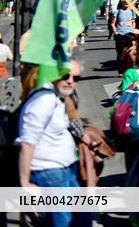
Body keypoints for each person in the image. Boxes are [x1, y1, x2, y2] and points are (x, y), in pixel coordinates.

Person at [16, 61, 90, 227]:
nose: (70, 81)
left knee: (81, 220)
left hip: (64, 170)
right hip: (50, 173)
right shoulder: (44, 99)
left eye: (76, 78)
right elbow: (27, 142)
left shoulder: (55, 96)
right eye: (65, 75)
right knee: (63, 222)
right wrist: (25, 183)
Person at [113, 0, 138, 74]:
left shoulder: (132, 11)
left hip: (129, 35)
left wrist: (133, 29)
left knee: (130, 52)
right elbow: (112, 23)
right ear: (122, 3)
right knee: (120, 54)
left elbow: (133, 22)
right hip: (120, 34)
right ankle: (120, 70)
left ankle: (128, 69)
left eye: (128, 2)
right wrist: (116, 32)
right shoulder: (118, 11)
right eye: (125, 2)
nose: (126, 3)